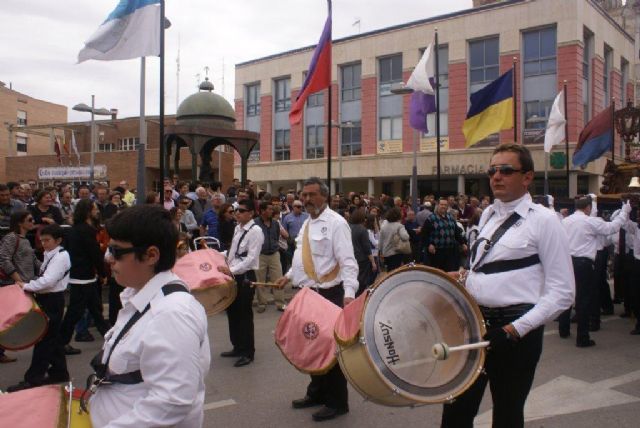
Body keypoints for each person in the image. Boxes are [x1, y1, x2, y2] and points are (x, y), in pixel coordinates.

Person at [441, 143, 575, 428]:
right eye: (492, 170)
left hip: (515, 332)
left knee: (507, 415)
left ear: (527, 177)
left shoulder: (545, 221)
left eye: (505, 170)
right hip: (473, 324)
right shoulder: (487, 214)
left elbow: (563, 293)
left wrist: (514, 330)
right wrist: (463, 276)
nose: (496, 176)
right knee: (455, 412)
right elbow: (489, 266)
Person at [88, 204, 210, 427]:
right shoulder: (139, 298)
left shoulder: (171, 314)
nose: (108, 259)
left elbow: (172, 401)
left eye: (116, 251)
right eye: (108, 249)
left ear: (151, 255)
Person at [275, 177, 358, 422]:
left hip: (329, 295)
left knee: (331, 352)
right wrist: (288, 275)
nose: (307, 199)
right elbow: (303, 257)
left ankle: (337, 402)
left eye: (312, 195)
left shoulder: (337, 223)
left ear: (325, 196)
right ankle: (317, 393)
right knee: (312, 345)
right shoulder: (307, 223)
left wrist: (350, 294)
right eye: (304, 195)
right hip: (308, 294)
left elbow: (348, 262)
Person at [6, 224, 71, 391]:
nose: (44, 243)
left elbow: (48, 281)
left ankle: (33, 378)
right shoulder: (50, 253)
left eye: (47, 240)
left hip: (53, 299)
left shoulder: (61, 257)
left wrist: (27, 286)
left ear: (59, 240)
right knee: (52, 338)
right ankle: (59, 372)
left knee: (44, 340)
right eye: (42, 240)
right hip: (49, 298)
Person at [560, 195, 629, 347]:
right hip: (583, 263)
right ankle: (582, 337)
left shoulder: (565, 221)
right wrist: (625, 211)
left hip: (568, 261)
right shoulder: (589, 221)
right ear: (588, 208)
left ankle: (563, 329)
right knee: (584, 300)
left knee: (567, 295)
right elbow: (612, 228)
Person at [59, 200, 111, 355]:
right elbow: (94, 254)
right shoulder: (86, 230)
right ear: (88, 212)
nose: (97, 212)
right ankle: (60, 343)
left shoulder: (76, 229)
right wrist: (103, 273)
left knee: (95, 310)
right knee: (75, 312)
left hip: (81, 276)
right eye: (94, 209)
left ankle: (111, 341)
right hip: (83, 277)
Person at [217, 199, 263, 367]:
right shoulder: (238, 228)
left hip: (244, 276)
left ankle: (248, 352)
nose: (237, 213)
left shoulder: (256, 231)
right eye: (236, 210)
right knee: (233, 312)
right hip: (233, 275)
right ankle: (237, 346)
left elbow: (251, 259)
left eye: (242, 210)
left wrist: (232, 270)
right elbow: (234, 253)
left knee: (244, 315)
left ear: (251, 213)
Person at [0, 210, 41, 364]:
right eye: (29, 219)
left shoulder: (25, 240)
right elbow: (3, 259)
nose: (32, 222)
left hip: (26, 283)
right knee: (8, 319)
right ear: (20, 222)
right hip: (14, 285)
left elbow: (34, 261)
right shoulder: (11, 238)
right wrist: (17, 279)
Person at [254, 201, 286, 312]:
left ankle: (280, 303)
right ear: (262, 211)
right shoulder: (255, 223)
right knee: (260, 280)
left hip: (274, 254)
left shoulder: (275, 223)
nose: (272, 211)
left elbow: (276, 237)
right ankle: (262, 303)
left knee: (278, 279)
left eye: (272, 209)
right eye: (269, 209)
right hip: (260, 255)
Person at [421, 197, 467, 272]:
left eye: (445, 205)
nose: (443, 206)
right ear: (438, 205)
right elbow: (424, 234)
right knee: (436, 273)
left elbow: (456, 233)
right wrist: (429, 244)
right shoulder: (431, 218)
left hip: (449, 251)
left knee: (447, 273)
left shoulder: (451, 218)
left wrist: (463, 244)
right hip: (436, 252)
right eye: (441, 204)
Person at [350, 207, 376, 296]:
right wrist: (373, 262)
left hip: (351, 258)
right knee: (362, 282)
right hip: (362, 260)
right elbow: (367, 248)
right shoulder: (362, 229)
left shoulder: (348, 227)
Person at [379, 207, 410, 271]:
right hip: (396, 252)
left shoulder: (384, 226)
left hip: (386, 253)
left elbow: (381, 241)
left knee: (389, 271)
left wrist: (380, 252)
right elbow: (405, 237)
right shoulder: (399, 226)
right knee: (395, 272)